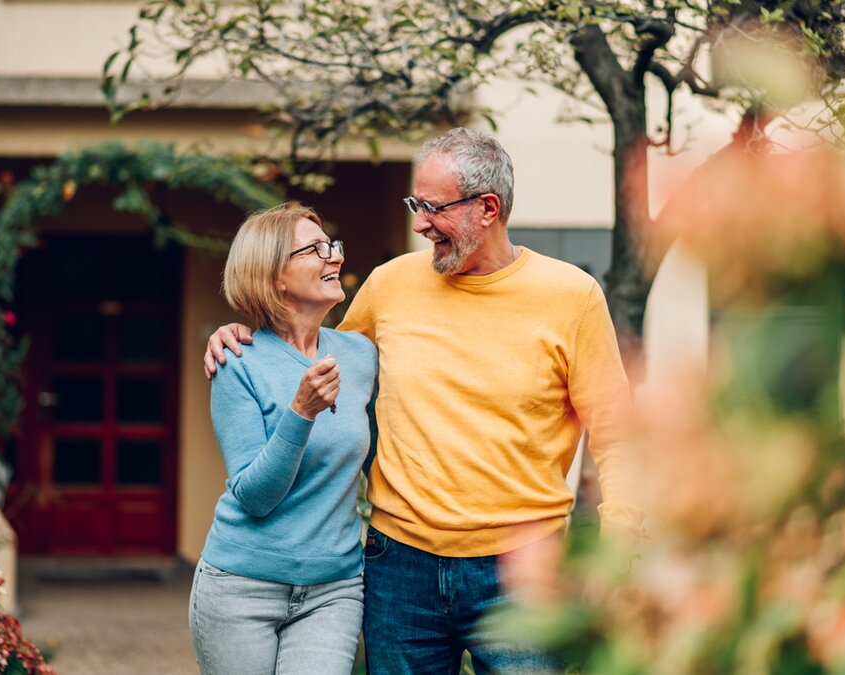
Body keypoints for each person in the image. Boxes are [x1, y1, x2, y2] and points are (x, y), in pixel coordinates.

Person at [204, 128, 640, 674]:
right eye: (415, 204)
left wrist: (617, 548)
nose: (419, 224)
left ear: (487, 208)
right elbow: (311, 352)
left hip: (524, 572)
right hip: (399, 568)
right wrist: (239, 334)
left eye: (433, 208)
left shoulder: (571, 296)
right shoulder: (389, 286)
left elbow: (617, 431)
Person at [190, 202, 378, 675]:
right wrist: (301, 412)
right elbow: (254, 497)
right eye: (315, 249)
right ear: (275, 276)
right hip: (240, 586)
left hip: (333, 588)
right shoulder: (237, 363)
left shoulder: (361, 356)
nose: (334, 256)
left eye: (331, 245)